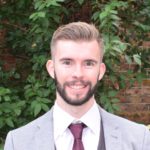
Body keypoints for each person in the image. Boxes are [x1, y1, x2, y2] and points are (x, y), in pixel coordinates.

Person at [4, 22, 150, 150]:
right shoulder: (18, 143)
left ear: (101, 71)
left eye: (88, 63)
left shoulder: (139, 139)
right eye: (67, 62)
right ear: (51, 68)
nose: (78, 74)